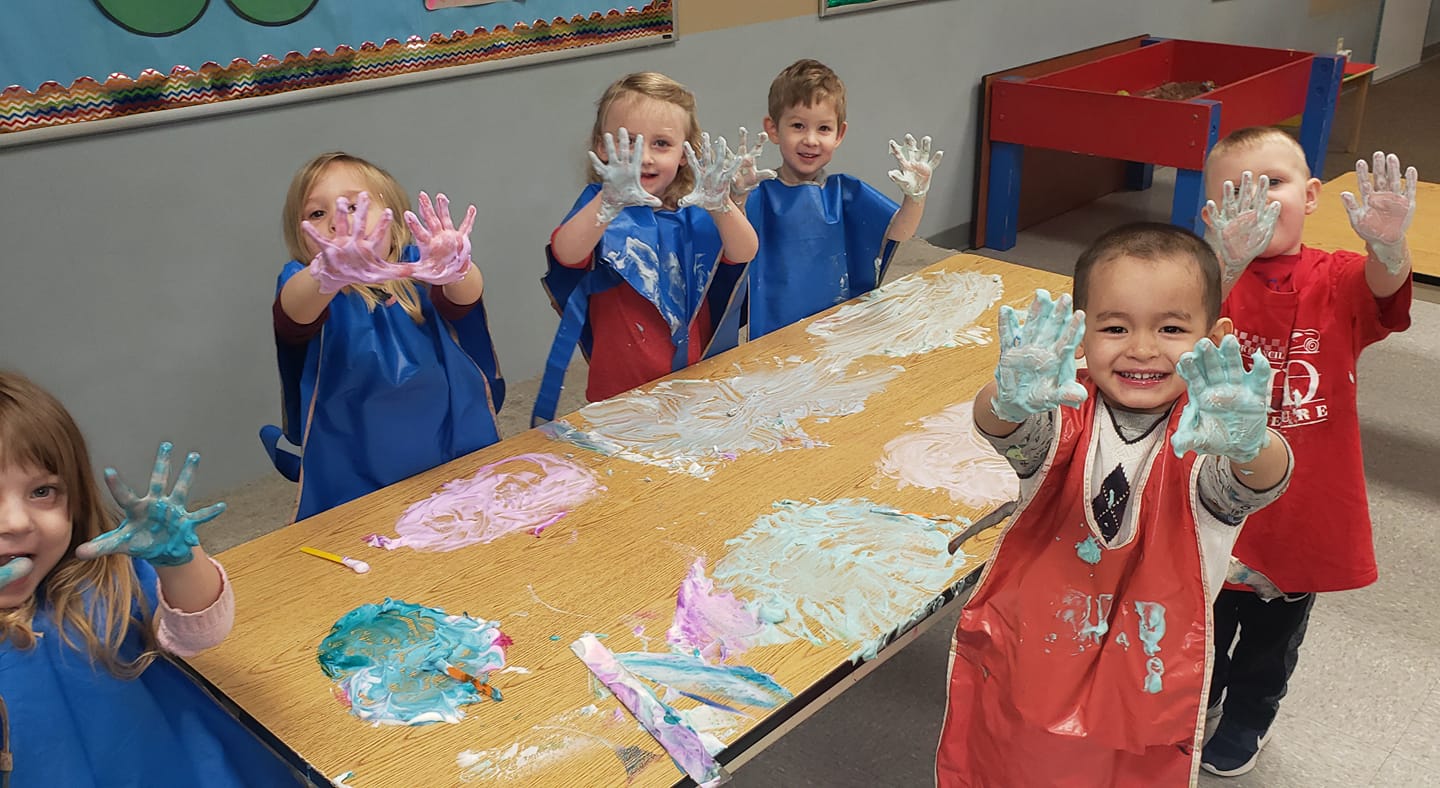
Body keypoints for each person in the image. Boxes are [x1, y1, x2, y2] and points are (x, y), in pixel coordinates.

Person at [935, 223, 1295, 786]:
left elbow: (1251, 485)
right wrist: (1004, 399)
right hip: (1031, 654)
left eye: (1171, 328)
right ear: (1080, 334)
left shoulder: (1208, 435)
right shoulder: (1062, 409)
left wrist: (1251, 445)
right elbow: (1007, 431)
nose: (1142, 349)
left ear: (1214, 337)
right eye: (1115, 327)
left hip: (1145, 671)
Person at [1198, 128, 1416, 777]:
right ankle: (1204, 693)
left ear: (1312, 194)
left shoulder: (1338, 277)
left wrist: (1389, 246)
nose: (1257, 201)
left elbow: (1383, 289)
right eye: (1236, 192)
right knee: (1204, 614)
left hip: (1303, 504)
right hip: (1215, 495)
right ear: (1210, 214)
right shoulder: (1204, 277)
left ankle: (1250, 714)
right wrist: (1222, 263)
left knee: (1273, 635)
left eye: (1274, 183)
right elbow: (1180, 320)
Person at [0, 371, 300, 786]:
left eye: (41, 492)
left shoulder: (103, 576)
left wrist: (179, 562)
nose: (16, 522)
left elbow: (199, 634)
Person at [265, 152, 505, 521]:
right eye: (318, 213)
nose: (339, 222)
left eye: (354, 206)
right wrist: (326, 274)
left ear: (392, 219)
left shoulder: (419, 262)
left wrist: (458, 268)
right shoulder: (307, 283)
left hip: (450, 446)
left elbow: (464, 300)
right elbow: (293, 313)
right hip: (354, 469)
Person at [533, 72, 759, 424]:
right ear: (602, 147)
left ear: (686, 153)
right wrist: (607, 204)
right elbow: (566, 253)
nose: (646, 157)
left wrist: (722, 206)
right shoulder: (600, 208)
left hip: (694, 379)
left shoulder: (695, 210)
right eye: (630, 143)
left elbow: (744, 252)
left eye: (661, 144)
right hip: (621, 390)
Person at [708, 58, 943, 353]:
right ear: (773, 129)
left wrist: (916, 197)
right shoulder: (760, 194)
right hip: (776, 334)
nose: (810, 140)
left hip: (841, 327)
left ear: (839, 134)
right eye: (798, 126)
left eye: (823, 128)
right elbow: (735, 248)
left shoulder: (846, 192)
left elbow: (900, 232)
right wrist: (737, 197)